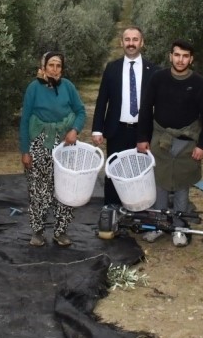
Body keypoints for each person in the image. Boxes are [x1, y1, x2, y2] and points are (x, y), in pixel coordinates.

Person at [136, 40, 203, 247]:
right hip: (159, 138)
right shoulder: (158, 79)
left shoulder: (199, 83)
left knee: (181, 185)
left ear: (191, 59)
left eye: (185, 56)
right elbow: (145, 109)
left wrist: (202, 145)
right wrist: (142, 138)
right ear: (170, 56)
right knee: (159, 182)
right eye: (177, 55)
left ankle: (180, 228)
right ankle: (158, 225)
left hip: (187, 142)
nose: (180, 59)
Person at [19, 51, 86, 248]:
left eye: (58, 66)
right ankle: (38, 231)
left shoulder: (68, 87)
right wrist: (25, 150)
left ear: (62, 69)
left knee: (65, 187)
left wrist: (74, 130)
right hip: (39, 143)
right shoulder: (33, 88)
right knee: (38, 188)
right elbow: (24, 121)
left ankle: (60, 231)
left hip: (64, 143)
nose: (54, 69)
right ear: (44, 67)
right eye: (51, 65)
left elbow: (81, 111)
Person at [91, 27, 158, 208]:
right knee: (114, 172)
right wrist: (97, 129)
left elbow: (158, 104)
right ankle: (111, 214)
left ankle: (139, 214)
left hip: (143, 132)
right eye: (127, 39)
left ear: (142, 42)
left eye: (135, 39)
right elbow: (102, 100)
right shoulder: (112, 68)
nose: (131, 43)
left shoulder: (154, 70)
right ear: (121, 42)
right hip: (117, 130)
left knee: (141, 173)